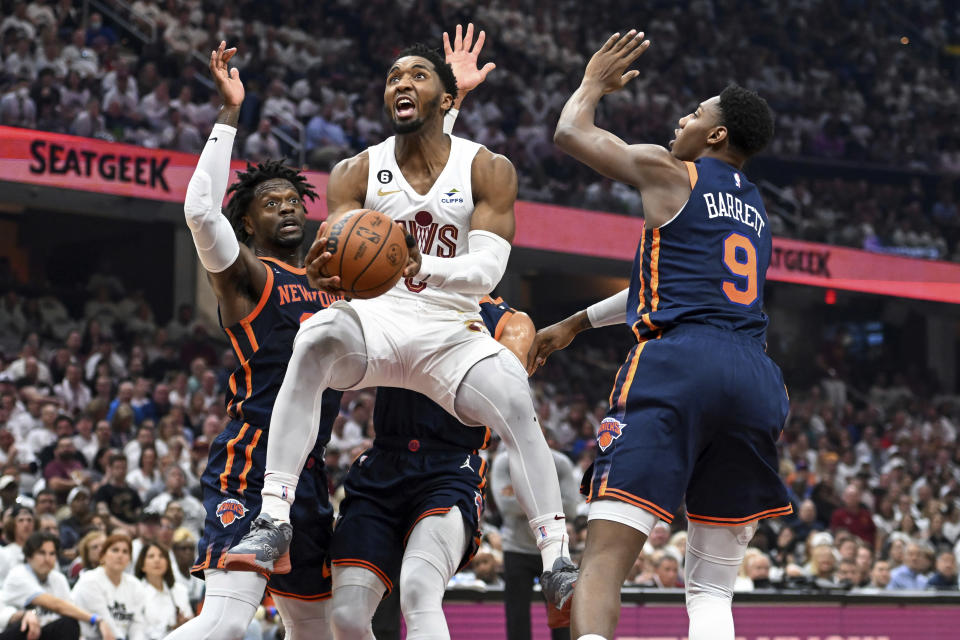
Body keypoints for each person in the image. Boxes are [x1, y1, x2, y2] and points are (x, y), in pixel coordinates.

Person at [226, 25, 576, 609]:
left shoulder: (488, 168)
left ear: (447, 99)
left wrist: (421, 266)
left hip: (451, 330)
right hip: (379, 322)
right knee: (312, 337)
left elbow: (488, 271)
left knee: (514, 392)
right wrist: (325, 271)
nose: (401, 83)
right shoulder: (355, 171)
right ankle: (272, 518)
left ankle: (556, 556)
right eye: (393, 77)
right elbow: (338, 254)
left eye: (417, 75)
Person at [527, 30, 788, 640]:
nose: (683, 118)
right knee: (712, 588)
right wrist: (573, 324)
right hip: (753, 375)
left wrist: (593, 82)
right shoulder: (758, 215)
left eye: (696, 114)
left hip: (679, 364)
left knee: (603, 563)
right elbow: (672, 288)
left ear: (717, 135)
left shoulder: (673, 171)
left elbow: (571, 134)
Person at [165, 41, 344, 640]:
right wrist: (229, 114)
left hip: (311, 472)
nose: (289, 209)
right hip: (252, 457)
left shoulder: (335, 287)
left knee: (316, 630)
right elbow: (197, 209)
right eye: (272, 203)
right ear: (248, 222)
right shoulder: (249, 278)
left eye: (295, 201)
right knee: (223, 625)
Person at [330, 293, 536, 640]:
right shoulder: (389, 288)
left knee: (418, 588)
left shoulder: (498, 315)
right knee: (347, 617)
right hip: (384, 461)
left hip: (449, 465)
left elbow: (515, 355)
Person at [1, 532, 114, 640]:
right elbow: (55, 605)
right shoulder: (18, 574)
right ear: (29, 556)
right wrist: (95, 619)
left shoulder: (58, 578)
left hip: (42, 631)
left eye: (52, 554)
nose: (47, 559)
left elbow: (69, 610)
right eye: (41, 553)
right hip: (15, 633)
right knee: (27, 624)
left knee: (69, 623)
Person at [71, 533, 146, 639]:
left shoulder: (135, 585)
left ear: (129, 559)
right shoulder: (89, 580)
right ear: (102, 556)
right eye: (115, 550)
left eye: (125, 552)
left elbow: (137, 624)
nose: (120, 555)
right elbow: (105, 619)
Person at [135, 542, 193, 638]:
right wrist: (171, 629)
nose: (157, 560)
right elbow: (137, 632)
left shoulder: (180, 591)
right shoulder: (136, 592)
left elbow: (191, 622)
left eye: (161, 556)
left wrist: (185, 624)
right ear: (142, 566)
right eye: (151, 556)